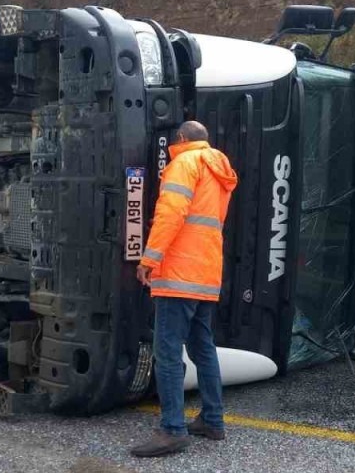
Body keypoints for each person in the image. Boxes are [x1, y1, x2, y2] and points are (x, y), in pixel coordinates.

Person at [130, 121, 238, 458]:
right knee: (202, 347)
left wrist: (149, 259)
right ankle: (212, 419)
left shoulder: (183, 163)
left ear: (179, 139)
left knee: (167, 353)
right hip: (205, 273)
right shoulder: (219, 167)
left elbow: (171, 214)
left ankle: (173, 430)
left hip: (178, 273)